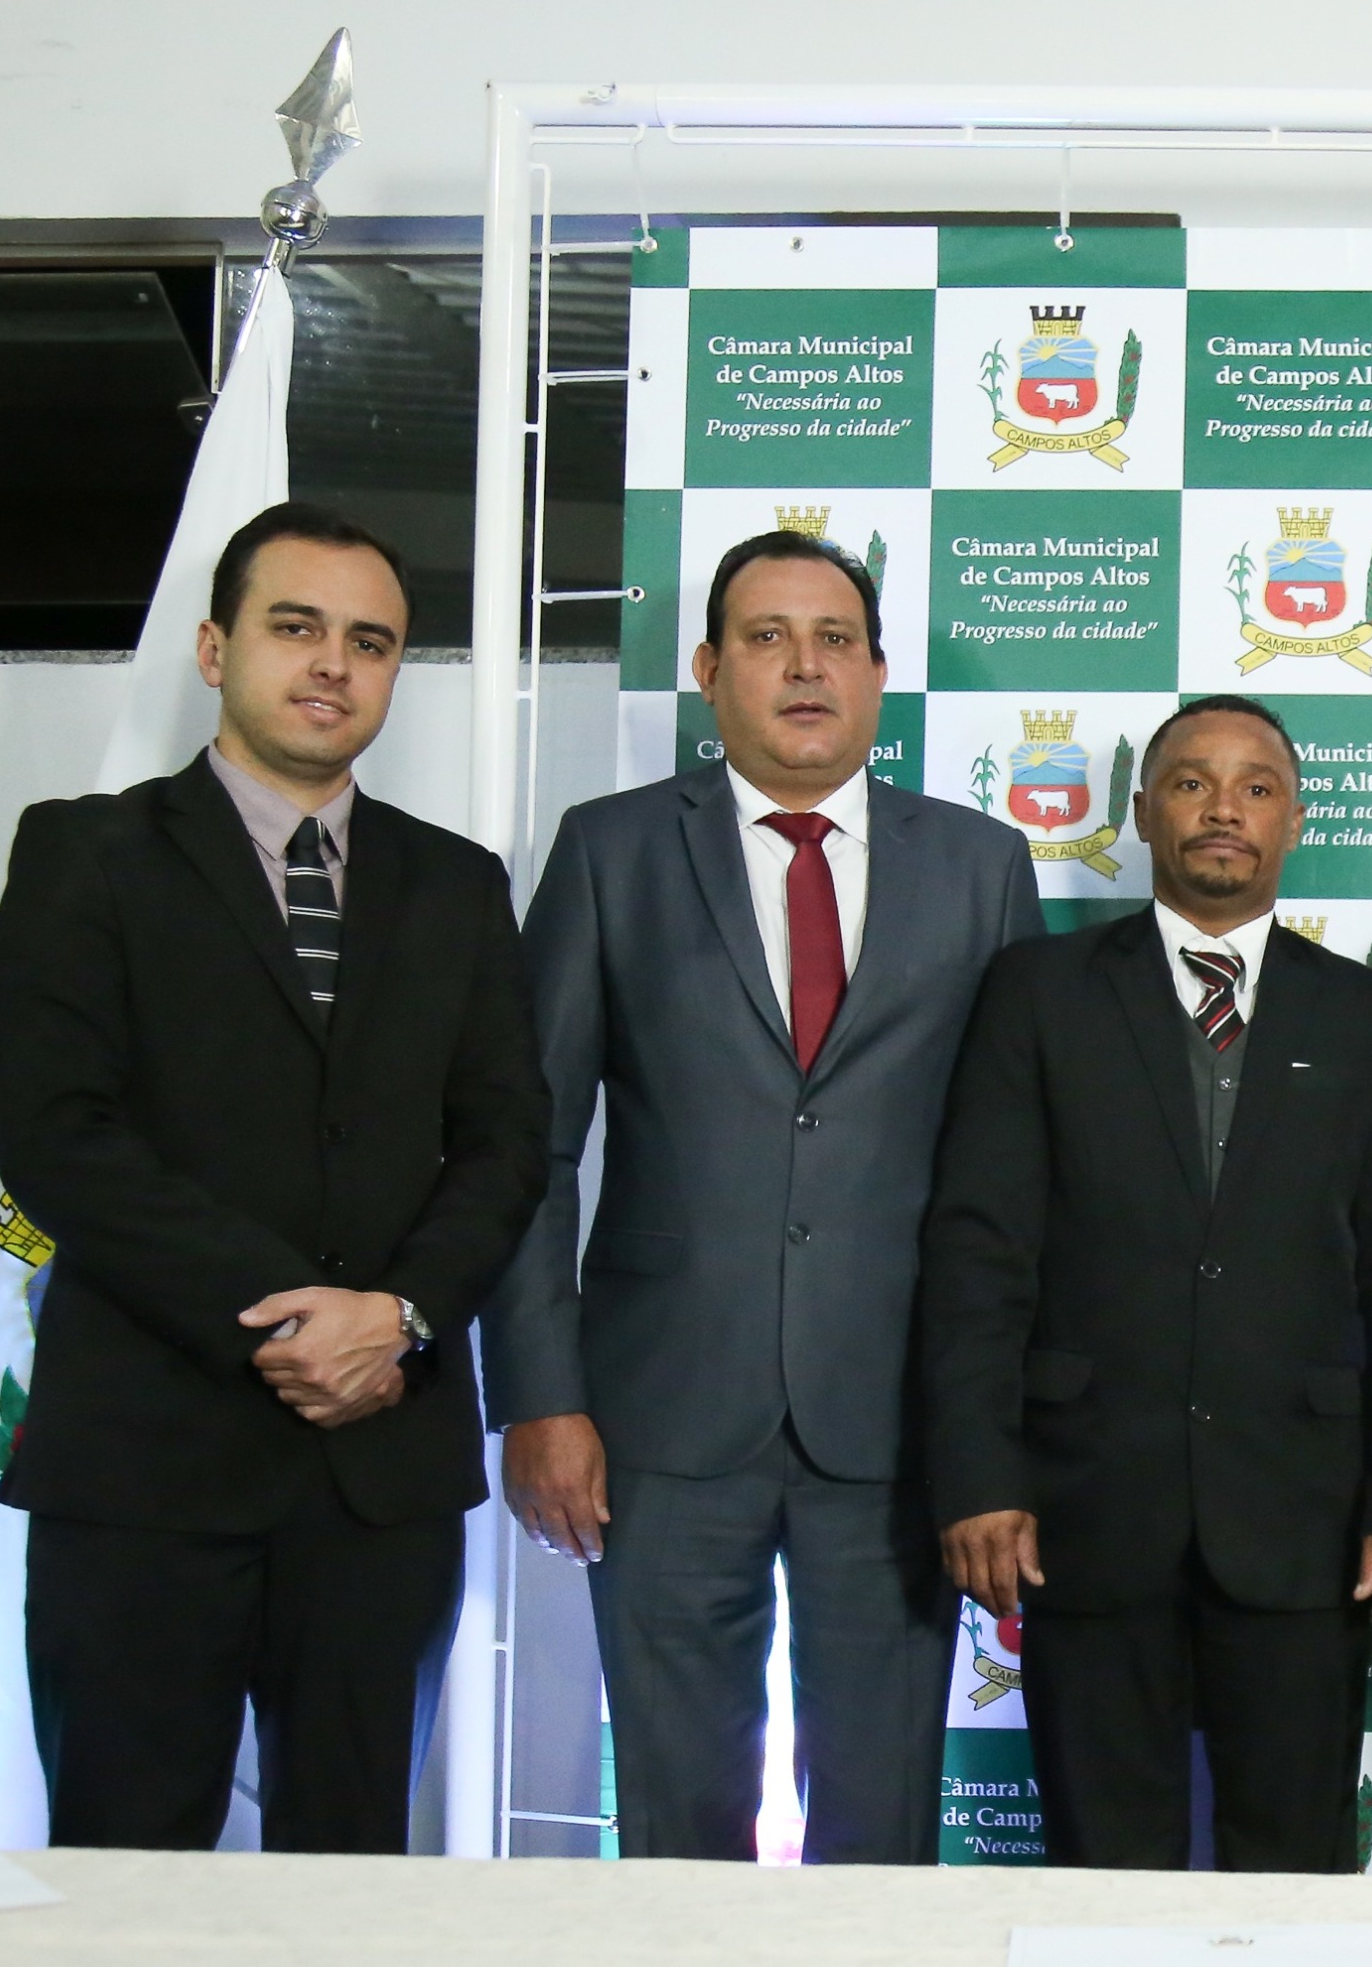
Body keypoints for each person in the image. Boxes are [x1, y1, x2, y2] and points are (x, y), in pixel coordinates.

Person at [0, 503, 547, 1851]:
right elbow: (59, 1138)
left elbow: (506, 1141)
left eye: (371, 641)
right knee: (126, 1877)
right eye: (296, 627)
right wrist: (291, 1320)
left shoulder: (459, 886)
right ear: (213, 647)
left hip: (379, 1474)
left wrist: (396, 1318)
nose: (333, 664)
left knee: (349, 1882)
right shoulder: (84, 853)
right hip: (144, 1470)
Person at [481, 530, 1040, 1864]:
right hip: (658, 1421)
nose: (804, 667)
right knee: (676, 1829)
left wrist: (999, 1435)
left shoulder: (980, 865)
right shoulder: (611, 851)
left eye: (835, 639)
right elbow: (528, 1149)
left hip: (898, 1424)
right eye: (767, 638)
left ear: (879, 674)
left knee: (881, 1828)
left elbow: (1023, 1175)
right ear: (708, 668)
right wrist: (541, 1397)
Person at [922, 694, 1372, 1871]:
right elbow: (976, 1256)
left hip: (1304, 1519)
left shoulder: (1371, 1017)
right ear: (1140, 812)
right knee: (1102, 1880)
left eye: (1256, 787)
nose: (1223, 809)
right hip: (1081, 1510)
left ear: (1294, 821)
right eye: (1190, 782)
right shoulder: (1037, 993)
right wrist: (976, 1475)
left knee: (1296, 1875)